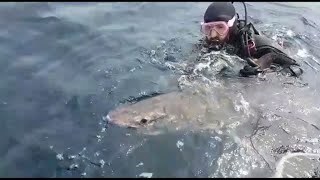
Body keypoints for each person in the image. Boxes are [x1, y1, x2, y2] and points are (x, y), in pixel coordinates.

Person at [198, 2, 303, 77]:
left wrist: (264, 64)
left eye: (220, 27)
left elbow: (297, 69)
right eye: (208, 28)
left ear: (231, 26)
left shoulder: (255, 43)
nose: (213, 34)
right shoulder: (208, 41)